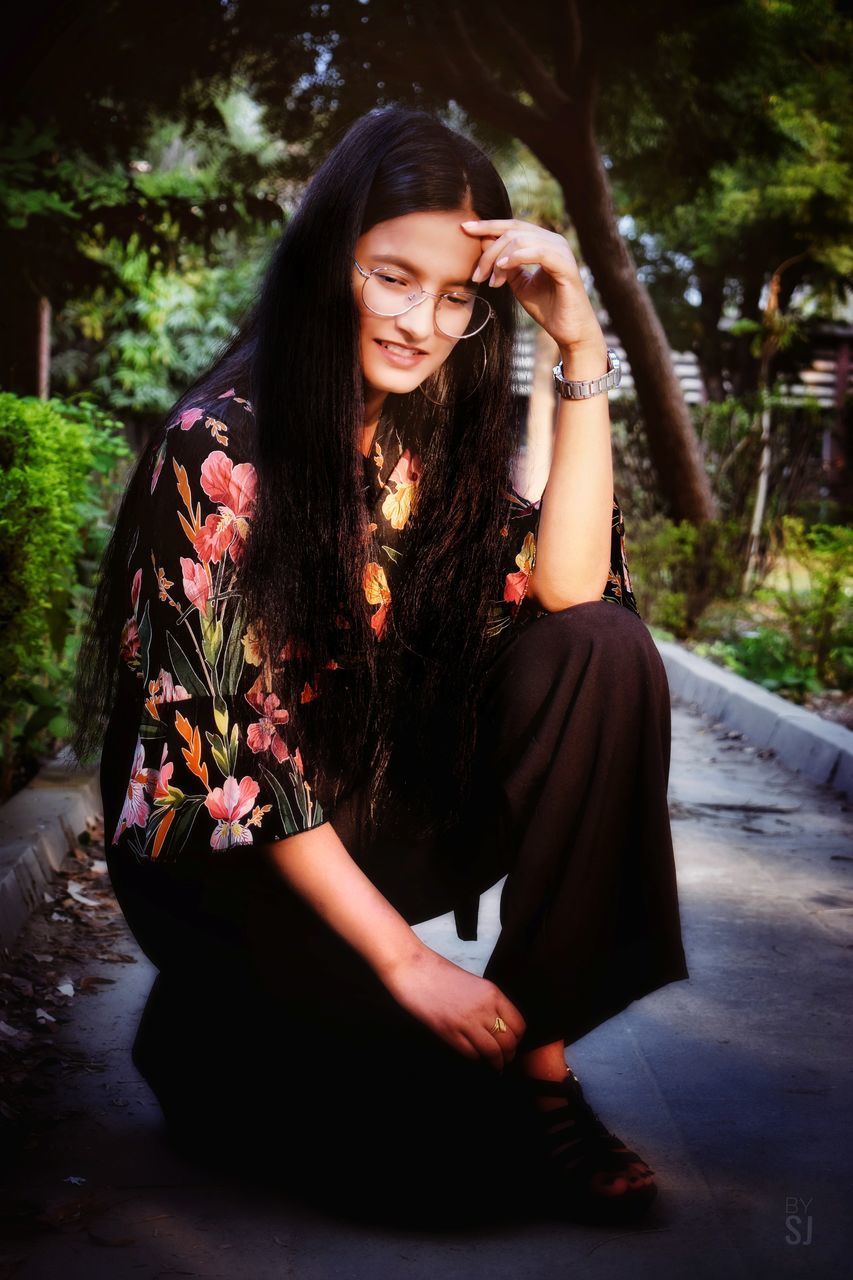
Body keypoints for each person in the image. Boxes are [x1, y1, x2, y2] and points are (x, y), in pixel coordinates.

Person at [72, 106, 689, 1225]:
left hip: (377, 825)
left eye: (456, 295)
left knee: (602, 645)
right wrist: (408, 966)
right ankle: (234, 1027)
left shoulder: (436, 443)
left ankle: (538, 1058)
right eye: (393, 277)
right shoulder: (218, 445)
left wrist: (581, 347)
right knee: (443, 1181)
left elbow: (568, 591)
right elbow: (230, 751)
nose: (420, 321)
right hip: (239, 867)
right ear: (330, 261)